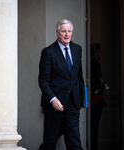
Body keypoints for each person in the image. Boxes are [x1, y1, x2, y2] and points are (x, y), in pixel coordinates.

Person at [38, 19, 84, 150]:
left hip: (73, 103)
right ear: (57, 32)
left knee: (74, 141)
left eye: (69, 31)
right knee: (50, 142)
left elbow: (78, 77)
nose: (67, 34)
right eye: (63, 31)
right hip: (55, 104)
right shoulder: (48, 52)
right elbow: (43, 80)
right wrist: (52, 99)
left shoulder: (77, 49)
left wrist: (82, 97)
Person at [90, 43, 107, 150]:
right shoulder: (95, 64)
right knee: (94, 126)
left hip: (95, 97)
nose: (100, 54)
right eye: (99, 52)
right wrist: (103, 86)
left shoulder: (94, 63)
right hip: (95, 98)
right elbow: (97, 82)